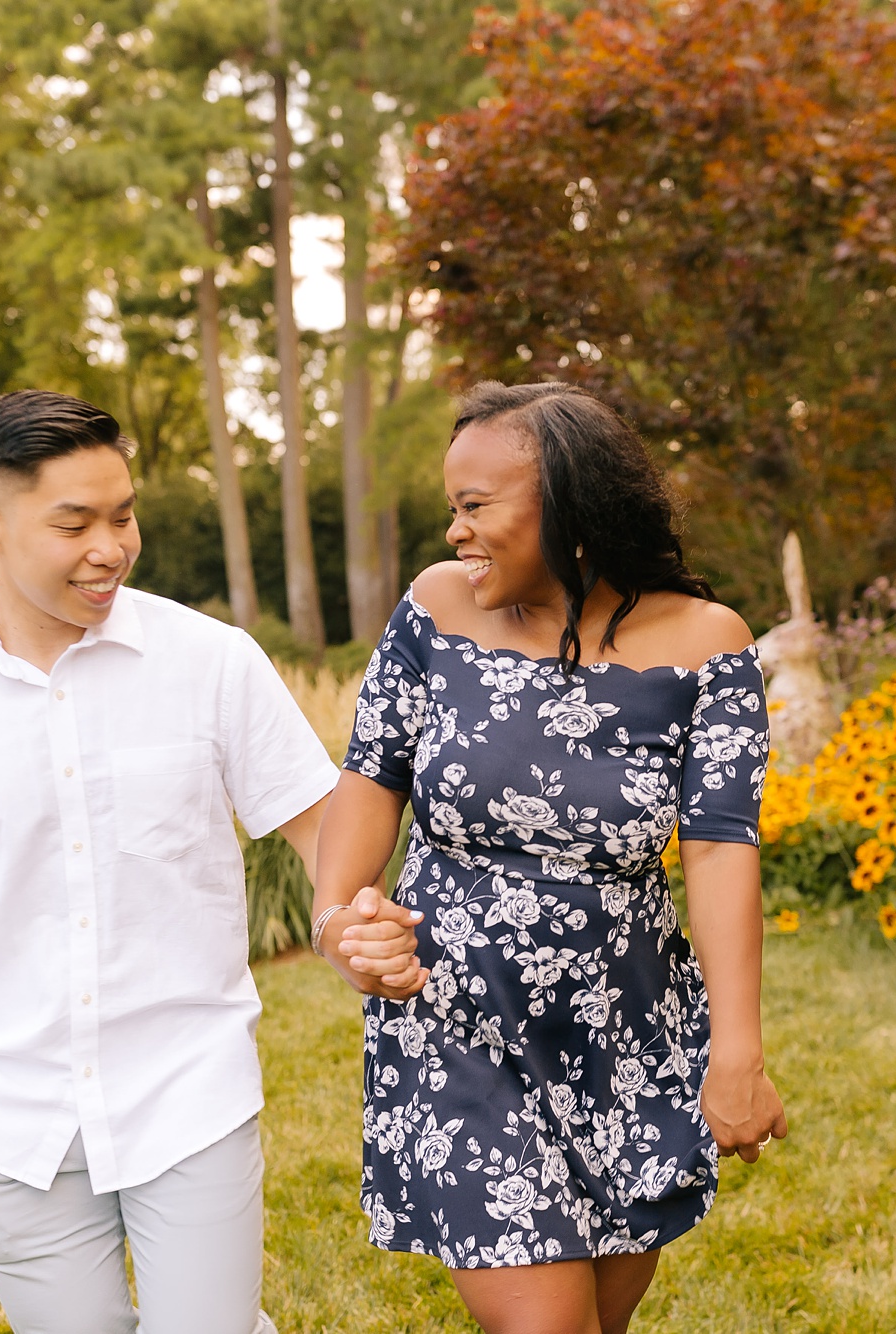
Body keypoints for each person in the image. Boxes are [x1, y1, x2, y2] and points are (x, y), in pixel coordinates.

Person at [0, 390, 350, 1334]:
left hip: (188, 1092)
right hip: (8, 1120)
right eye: (73, 522)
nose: (110, 547)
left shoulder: (212, 662)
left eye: (122, 517)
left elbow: (324, 833)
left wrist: (355, 931)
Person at [313, 381, 789, 1334]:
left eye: (476, 506)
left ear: (568, 509)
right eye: (453, 507)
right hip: (458, 1017)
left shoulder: (709, 645)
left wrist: (735, 1051)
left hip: (626, 1031)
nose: (455, 532)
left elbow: (721, 849)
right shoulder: (434, 611)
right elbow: (372, 778)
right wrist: (338, 922)